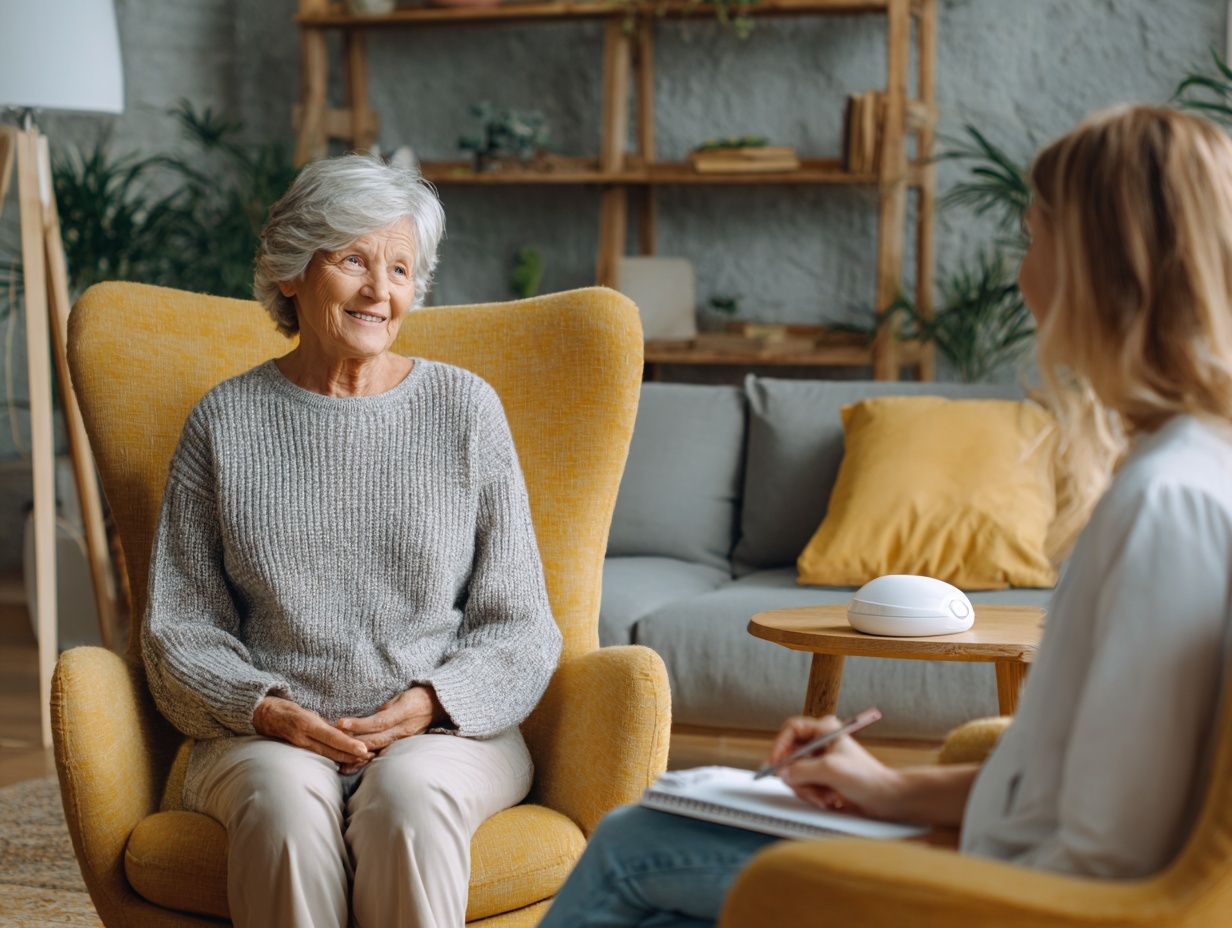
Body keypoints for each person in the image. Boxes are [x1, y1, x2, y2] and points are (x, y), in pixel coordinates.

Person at [538, 104, 1232, 927]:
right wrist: (885, 788)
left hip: (1012, 895)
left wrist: (884, 857)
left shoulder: (1169, 505)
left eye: (1034, 238)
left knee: (630, 849)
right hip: (1001, 855)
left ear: (1099, 264)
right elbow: (1070, 783)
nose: (1021, 274)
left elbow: (1104, 850)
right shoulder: (1182, 471)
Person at [142, 153, 562, 928]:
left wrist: (436, 700)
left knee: (407, 798)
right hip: (264, 735)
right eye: (354, 261)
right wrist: (264, 708)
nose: (381, 291)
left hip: (443, 735)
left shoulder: (465, 411)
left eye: (401, 268)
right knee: (282, 808)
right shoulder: (225, 422)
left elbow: (521, 624)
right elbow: (179, 628)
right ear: (293, 273)